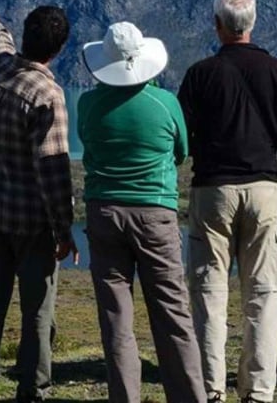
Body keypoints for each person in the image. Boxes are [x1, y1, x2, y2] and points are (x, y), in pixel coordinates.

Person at [178, 0, 277, 403]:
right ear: (252, 24)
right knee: (264, 293)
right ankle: (257, 392)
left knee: (208, 291)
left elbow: (181, 135)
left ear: (217, 25)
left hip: (212, 189)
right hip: (264, 190)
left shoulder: (200, 74)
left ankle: (210, 389)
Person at [79, 22, 204, 403]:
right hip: (155, 214)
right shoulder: (165, 103)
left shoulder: (88, 104)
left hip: (104, 213)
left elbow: (88, 145)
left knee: (117, 318)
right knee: (172, 312)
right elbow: (182, 152)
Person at [0, 6, 77, 403]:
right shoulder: (48, 95)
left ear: (26, 36)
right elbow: (53, 170)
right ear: (59, 49)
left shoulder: (1, 71)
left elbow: (1, 47)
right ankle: (32, 389)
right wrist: (64, 230)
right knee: (37, 313)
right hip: (32, 226)